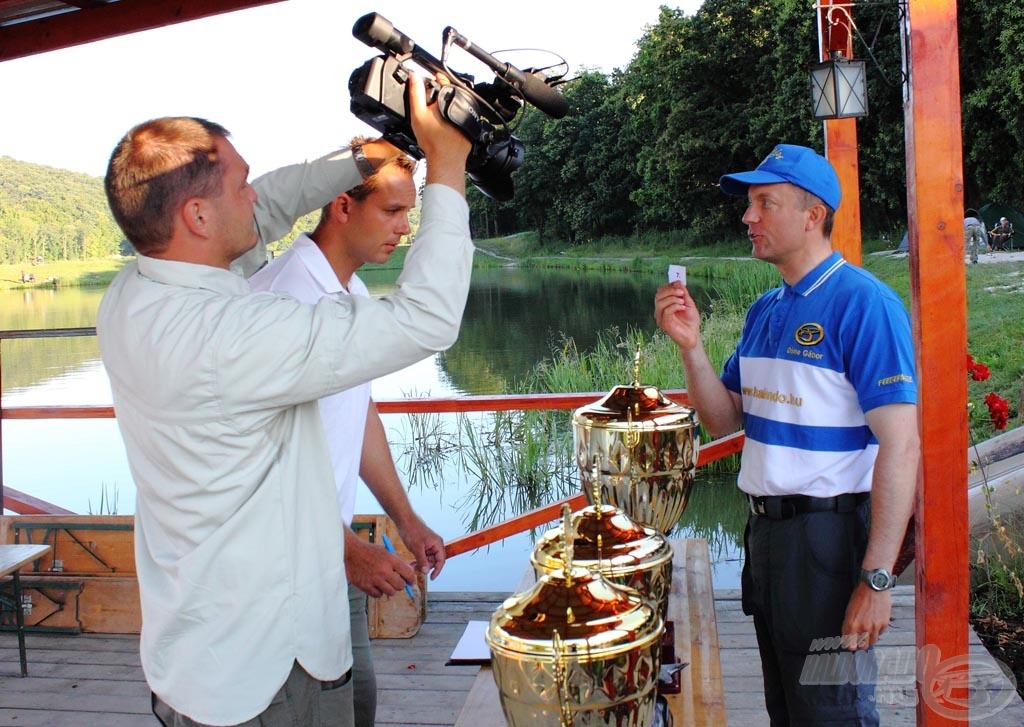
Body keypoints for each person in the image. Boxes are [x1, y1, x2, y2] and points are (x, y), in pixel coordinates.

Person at [97, 73, 473, 727]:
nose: (256, 194)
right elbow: (426, 319)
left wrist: (357, 160)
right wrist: (447, 167)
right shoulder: (233, 335)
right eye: (241, 183)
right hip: (265, 674)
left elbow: (266, 206)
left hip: (198, 654)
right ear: (197, 217)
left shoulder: (134, 294)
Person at [654, 144, 920, 726]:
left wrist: (876, 580)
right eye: (749, 204)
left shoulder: (864, 303)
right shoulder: (765, 311)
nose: (748, 217)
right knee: (789, 710)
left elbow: (902, 444)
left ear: (812, 214)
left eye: (763, 203)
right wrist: (691, 347)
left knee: (833, 711)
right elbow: (725, 421)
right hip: (767, 539)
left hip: (830, 540)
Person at [249, 138, 444, 727]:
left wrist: (405, 519)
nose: (405, 229)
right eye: (392, 211)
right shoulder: (283, 300)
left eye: (410, 213)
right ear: (341, 205)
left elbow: (356, 415)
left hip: (330, 565)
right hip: (273, 579)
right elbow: (257, 466)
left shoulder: (350, 292)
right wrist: (346, 548)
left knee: (358, 709)